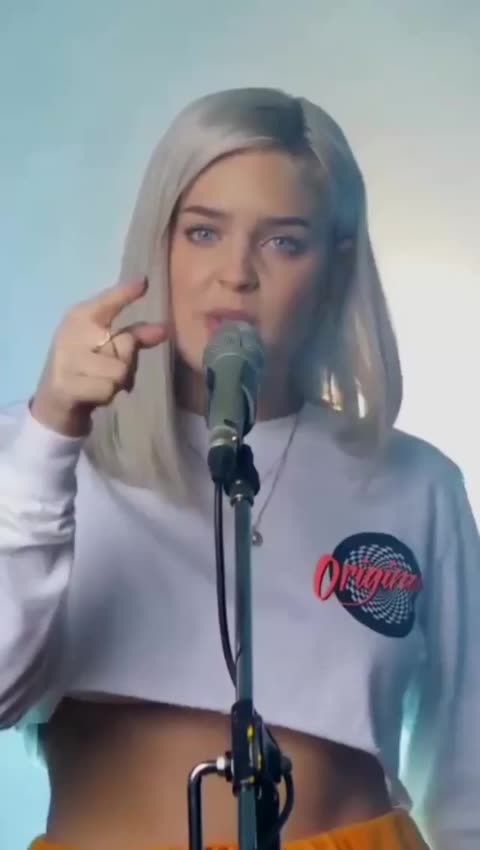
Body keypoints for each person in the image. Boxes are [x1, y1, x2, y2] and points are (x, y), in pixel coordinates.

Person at [0, 87, 478, 850]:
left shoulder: (417, 484)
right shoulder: (38, 456)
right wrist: (52, 433)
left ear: (335, 265)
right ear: (159, 244)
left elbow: (468, 768)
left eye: (283, 242)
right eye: (202, 232)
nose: (236, 274)